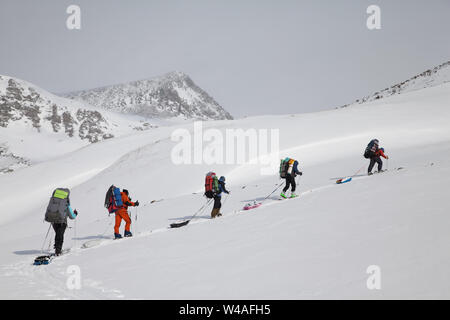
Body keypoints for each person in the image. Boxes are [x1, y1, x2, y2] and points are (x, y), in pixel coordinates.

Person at [44, 188, 78, 256]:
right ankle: (58, 251)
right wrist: (75, 214)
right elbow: (72, 216)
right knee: (60, 235)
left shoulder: (53, 202)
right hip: (62, 222)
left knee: (58, 234)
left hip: (53, 221)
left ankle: (57, 247)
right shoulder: (65, 204)